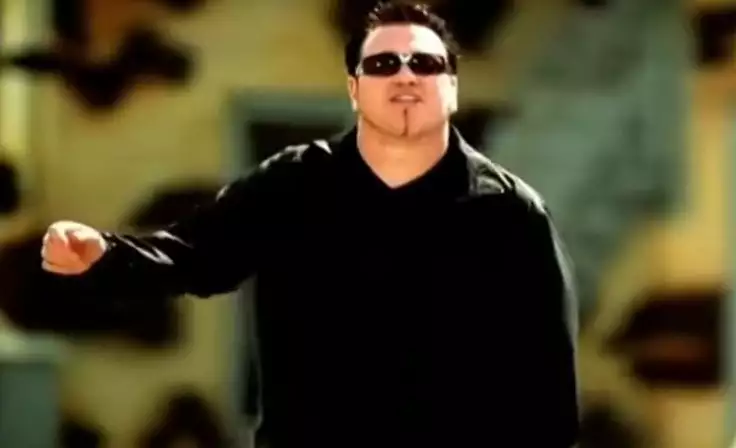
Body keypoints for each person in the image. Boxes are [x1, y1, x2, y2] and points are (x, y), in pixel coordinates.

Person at [41, 2, 579, 447]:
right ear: (354, 88)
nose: (405, 75)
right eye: (383, 64)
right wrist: (104, 253)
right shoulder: (294, 184)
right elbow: (195, 256)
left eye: (425, 63)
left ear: (453, 87)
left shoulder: (509, 213)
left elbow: (546, 385)